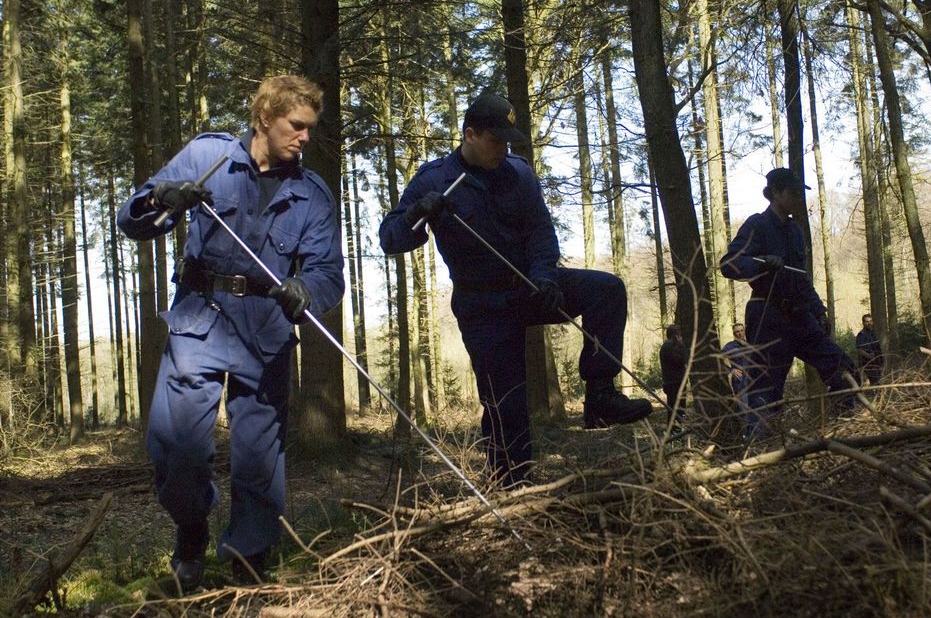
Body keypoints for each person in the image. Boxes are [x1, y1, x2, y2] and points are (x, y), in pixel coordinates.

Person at [117, 75, 345, 590]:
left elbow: (330, 273)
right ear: (265, 117)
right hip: (199, 318)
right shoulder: (208, 156)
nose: (306, 137)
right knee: (175, 450)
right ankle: (191, 532)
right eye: (297, 125)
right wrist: (161, 199)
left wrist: (306, 289)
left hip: (266, 328)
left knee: (259, 459)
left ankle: (249, 560)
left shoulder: (311, 193)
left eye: (311, 127)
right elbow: (130, 219)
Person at [378, 93, 651, 488]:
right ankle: (512, 486)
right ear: (469, 134)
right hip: (482, 305)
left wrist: (544, 277)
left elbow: (541, 231)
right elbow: (391, 240)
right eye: (496, 140)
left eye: (508, 141)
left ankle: (600, 397)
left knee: (606, 290)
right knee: (507, 405)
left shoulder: (519, 173)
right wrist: (419, 213)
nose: (503, 149)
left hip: (530, 287)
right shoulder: (434, 178)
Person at [720, 168, 856, 439]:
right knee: (765, 390)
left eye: (799, 193)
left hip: (801, 317)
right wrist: (762, 262)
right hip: (768, 317)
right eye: (792, 193)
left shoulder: (796, 231)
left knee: (842, 366)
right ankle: (760, 449)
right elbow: (729, 264)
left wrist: (818, 310)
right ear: (776, 193)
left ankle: (846, 431)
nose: (797, 198)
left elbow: (802, 277)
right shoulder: (757, 224)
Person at [720, 323, 753, 408]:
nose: (740, 333)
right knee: (743, 408)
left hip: (753, 380)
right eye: (737, 331)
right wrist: (731, 370)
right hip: (740, 382)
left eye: (742, 331)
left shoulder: (750, 344)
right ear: (734, 333)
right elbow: (718, 359)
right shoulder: (730, 346)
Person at [659, 324, 688, 417]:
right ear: (675, 335)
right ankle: (674, 430)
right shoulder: (668, 347)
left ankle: (677, 428)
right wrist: (682, 346)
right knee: (675, 409)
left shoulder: (669, 346)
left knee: (678, 409)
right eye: (679, 335)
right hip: (674, 383)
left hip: (676, 382)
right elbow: (680, 360)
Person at [855, 313, 884, 385]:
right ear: (863, 323)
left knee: (878, 381)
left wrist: (881, 360)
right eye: (867, 321)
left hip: (876, 363)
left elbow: (877, 348)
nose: (869, 323)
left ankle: (877, 395)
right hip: (867, 364)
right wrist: (869, 356)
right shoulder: (861, 335)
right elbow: (859, 350)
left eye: (870, 321)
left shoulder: (873, 333)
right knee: (875, 382)